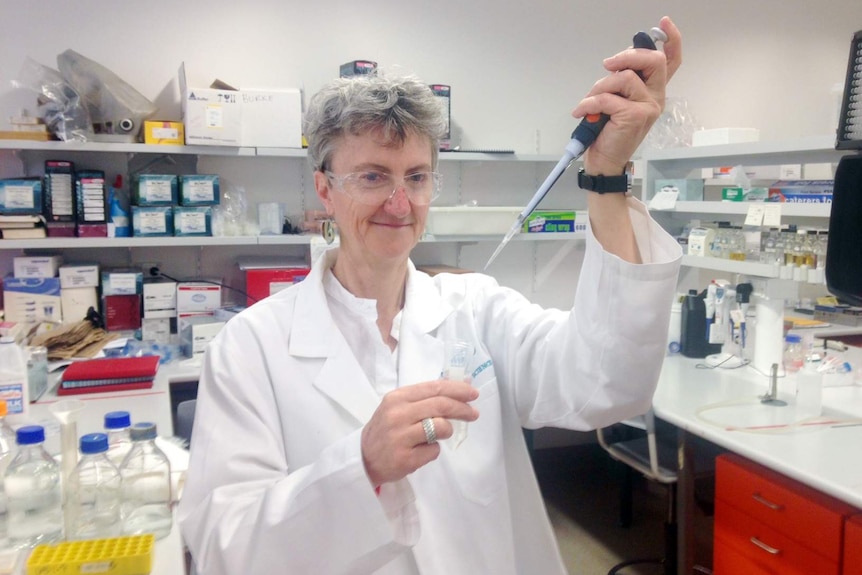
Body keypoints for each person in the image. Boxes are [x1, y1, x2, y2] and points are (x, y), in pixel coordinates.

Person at [179, 16, 683, 575]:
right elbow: (223, 549)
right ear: (324, 188)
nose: (401, 203)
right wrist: (360, 467)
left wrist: (607, 173)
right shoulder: (250, 348)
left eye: (416, 177)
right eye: (373, 176)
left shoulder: (479, 311)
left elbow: (609, 384)